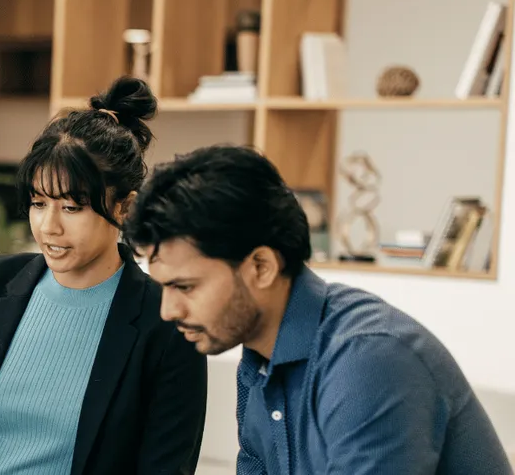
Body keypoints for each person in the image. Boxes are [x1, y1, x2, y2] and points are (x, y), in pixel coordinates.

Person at [124, 145, 513, 475]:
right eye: (163, 287)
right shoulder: (260, 358)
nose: (168, 310)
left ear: (261, 266)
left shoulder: (368, 359)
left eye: (185, 287)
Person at [0, 76, 208, 475]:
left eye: (72, 207)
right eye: (38, 203)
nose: (49, 227)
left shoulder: (168, 317)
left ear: (124, 207)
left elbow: (166, 467)